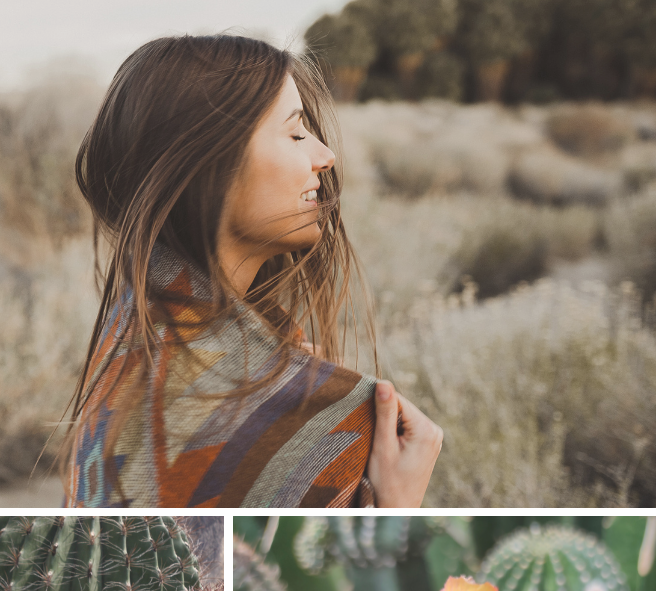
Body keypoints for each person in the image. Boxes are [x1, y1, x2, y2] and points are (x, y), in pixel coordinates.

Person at [62, 34, 442, 508]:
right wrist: (396, 512)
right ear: (208, 162)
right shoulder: (318, 425)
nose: (325, 156)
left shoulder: (131, 332)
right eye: (297, 133)